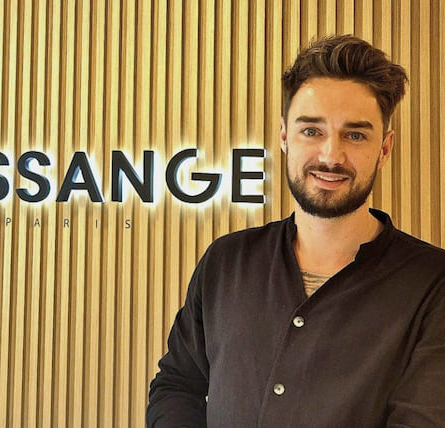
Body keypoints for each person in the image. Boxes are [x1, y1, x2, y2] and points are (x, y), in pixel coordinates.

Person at [146, 35, 445, 428]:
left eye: (355, 135)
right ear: (285, 136)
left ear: (384, 149)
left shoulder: (433, 283)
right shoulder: (226, 260)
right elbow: (177, 385)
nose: (331, 156)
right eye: (312, 131)